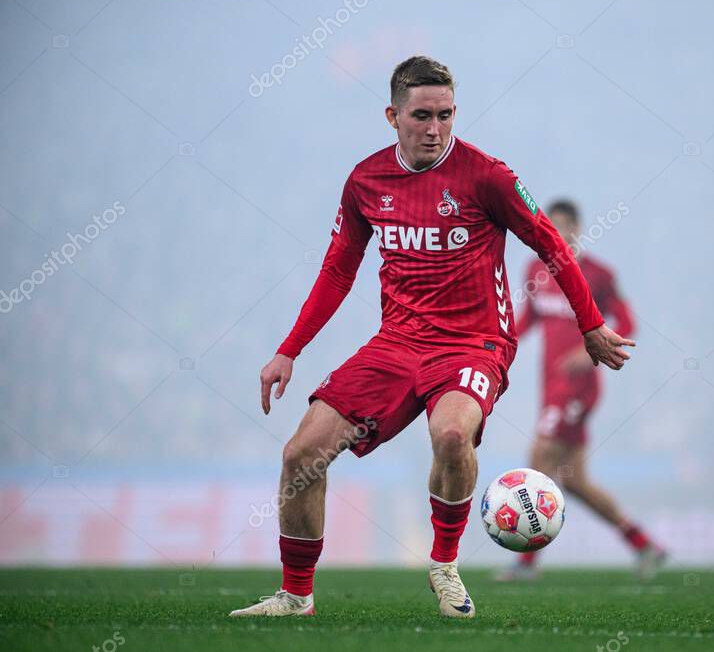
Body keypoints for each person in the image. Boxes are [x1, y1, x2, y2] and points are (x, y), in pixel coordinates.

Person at [228, 56, 635, 619]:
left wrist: (590, 326)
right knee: (301, 454)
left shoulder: (489, 176)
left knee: (450, 435)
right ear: (392, 115)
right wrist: (289, 349)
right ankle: (296, 596)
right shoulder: (366, 181)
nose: (434, 129)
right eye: (421, 116)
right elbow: (337, 270)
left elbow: (551, 246)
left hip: (476, 343)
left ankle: (444, 566)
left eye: (445, 115)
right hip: (396, 343)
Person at [496, 199, 665, 581]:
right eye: (549, 227)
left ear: (577, 229)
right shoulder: (535, 270)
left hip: (578, 388)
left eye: (562, 227)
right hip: (549, 386)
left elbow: (626, 321)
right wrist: (499, 341)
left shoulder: (599, 275)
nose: (555, 234)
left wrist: (586, 348)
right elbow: (528, 319)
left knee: (537, 464)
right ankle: (644, 544)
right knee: (573, 480)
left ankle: (526, 562)